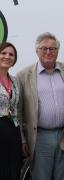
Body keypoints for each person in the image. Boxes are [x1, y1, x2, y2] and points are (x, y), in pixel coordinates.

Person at [16, 32, 64, 180]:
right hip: (40, 137)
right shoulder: (24, 75)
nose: (49, 52)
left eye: (53, 48)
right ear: (37, 50)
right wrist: (23, 139)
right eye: (44, 48)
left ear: (57, 51)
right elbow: (18, 111)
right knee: (41, 176)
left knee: (63, 176)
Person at [0, 42, 22, 180]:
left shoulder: (15, 81)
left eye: (11, 54)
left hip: (13, 131)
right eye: (3, 53)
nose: (7, 56)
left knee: (13, 169)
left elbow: (17, 109)